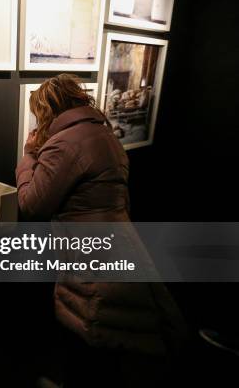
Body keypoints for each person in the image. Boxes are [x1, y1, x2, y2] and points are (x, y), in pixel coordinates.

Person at [15, 74, 186, 387]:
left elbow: (31, 204)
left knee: (88, 326)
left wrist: (28, 156)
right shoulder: (103, 133)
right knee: (112, 331)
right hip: (120, 240)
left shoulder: (63, 144)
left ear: (48, 110)